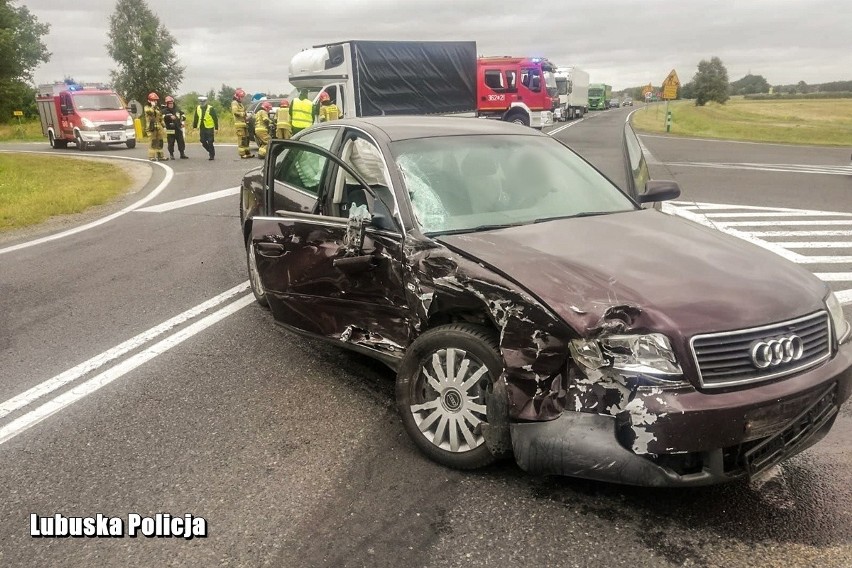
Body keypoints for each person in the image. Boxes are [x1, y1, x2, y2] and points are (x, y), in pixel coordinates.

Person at [192, 95, 218, 160]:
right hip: (202, 127)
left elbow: (215, 118)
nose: (202, 103)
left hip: (209, 127)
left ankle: (211, 155)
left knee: (210, 141)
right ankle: (210, 151)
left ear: (206, 102)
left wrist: (216, 128)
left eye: (203, 102)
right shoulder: (198, 108)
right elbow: (196, 117)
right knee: (202, 141)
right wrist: (194, 126)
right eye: (201, 102)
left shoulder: (210, 108)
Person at [162, 95, 188, 160]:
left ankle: (182, 154)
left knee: (181, 141)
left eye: (171, 103)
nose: (171, 104)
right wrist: (169, 117)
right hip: (170, 129)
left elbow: (183, 115)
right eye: (169, 103)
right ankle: (171, 154)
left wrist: (182, 121)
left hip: (178, 128)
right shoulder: (164, 110)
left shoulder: (177, 109)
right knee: (171, 142)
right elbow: (163, 117)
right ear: (167, 104)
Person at [231, 88, 253, 159]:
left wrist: (249, 115)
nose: (242, 99)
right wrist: (244, 114)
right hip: (239, 125)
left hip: (244, 124)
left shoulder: (240, 104)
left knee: (246, 138)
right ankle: (242, 154)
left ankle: (247, 153)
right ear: (237, 96)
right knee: (242, 139)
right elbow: (235, 113)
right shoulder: (234, 103)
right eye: (241, 97)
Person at [144, 92, 166, 161]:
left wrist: (164, 125)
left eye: (155, 100)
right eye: (153, 100)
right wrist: (153, 106)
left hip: (158, 128)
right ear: (149, 101)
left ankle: (160, 156)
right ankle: (152, 156)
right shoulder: (147, 108)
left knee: (160, 141)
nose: (155, 102)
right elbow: (149, 112)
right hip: (151, 128)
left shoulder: (158, 108)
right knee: (153, 142)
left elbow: (160, 118)